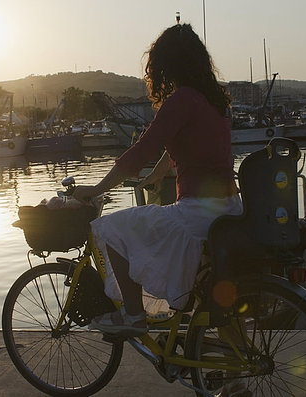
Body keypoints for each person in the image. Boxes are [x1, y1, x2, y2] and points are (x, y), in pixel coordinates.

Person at [72, 23, 242, 337]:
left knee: (110, 231)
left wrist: (96, 189)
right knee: (212, 298)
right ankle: (237, 378)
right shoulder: (213, 101)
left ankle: (134, 317)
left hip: (197, 215)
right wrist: (161, 172)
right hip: (228, 210)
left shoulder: (181, 100)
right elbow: (185, 143)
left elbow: (141, 150)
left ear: (166, 64)